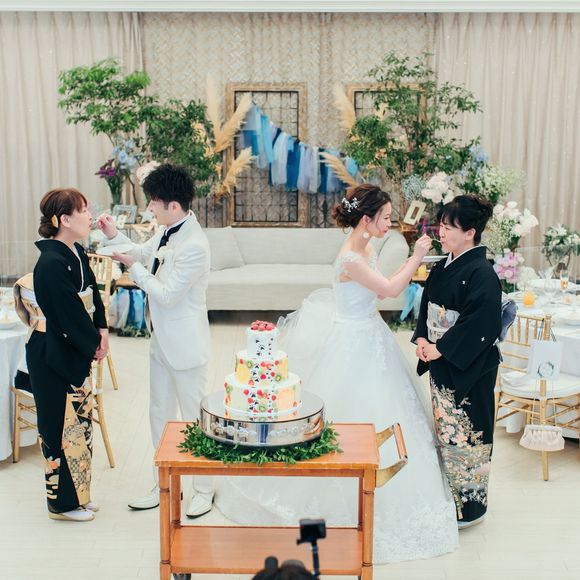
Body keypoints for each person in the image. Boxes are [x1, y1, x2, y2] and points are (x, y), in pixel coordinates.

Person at [216, 184, 459, 563]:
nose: (389, 223)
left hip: (370, 333)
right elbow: (392, 290)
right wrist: (416, 257)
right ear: (366, 219)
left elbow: (379, 294)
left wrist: (405, 264)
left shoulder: (365, 247)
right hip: (353, 341)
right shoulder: (351, 258)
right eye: (385, 217)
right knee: (350, 415)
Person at [97, 164, 213, 517]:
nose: (149, 208)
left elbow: (166, 295)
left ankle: (204, 489)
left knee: (195, 418)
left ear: (173, 206)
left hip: (186, 346)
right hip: (160, 339)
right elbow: (142, 252)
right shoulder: (166, 230)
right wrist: (114, 235)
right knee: (159, 415)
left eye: (153, 202)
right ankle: (164, 485)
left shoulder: (194, 245)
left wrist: (133, 270)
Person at [19, 188, 108, 522]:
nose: (89, 215)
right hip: (52, 350)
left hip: (72, 345)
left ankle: (80, 496)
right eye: (83, 210)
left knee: (79, 424)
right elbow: (67, 315)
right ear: (65, 220)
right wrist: (93, 342)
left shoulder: (75, 252)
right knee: (59, 426)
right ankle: (61, 504)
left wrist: (102, 329)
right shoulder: (51, 263)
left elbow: (93, 295)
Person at [412, 194, 501, 529]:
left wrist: (441, 348)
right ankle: (451, 501)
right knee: (445, 431)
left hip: (470, 366)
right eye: (442, 225)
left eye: (450, 227)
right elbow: (427, 306)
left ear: (470, 233)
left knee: (470, 432)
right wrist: (423, 339)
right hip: (443, 360)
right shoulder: (443, 266)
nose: (442, 232)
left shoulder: (482, 272)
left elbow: (482, 322)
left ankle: (471, 509)